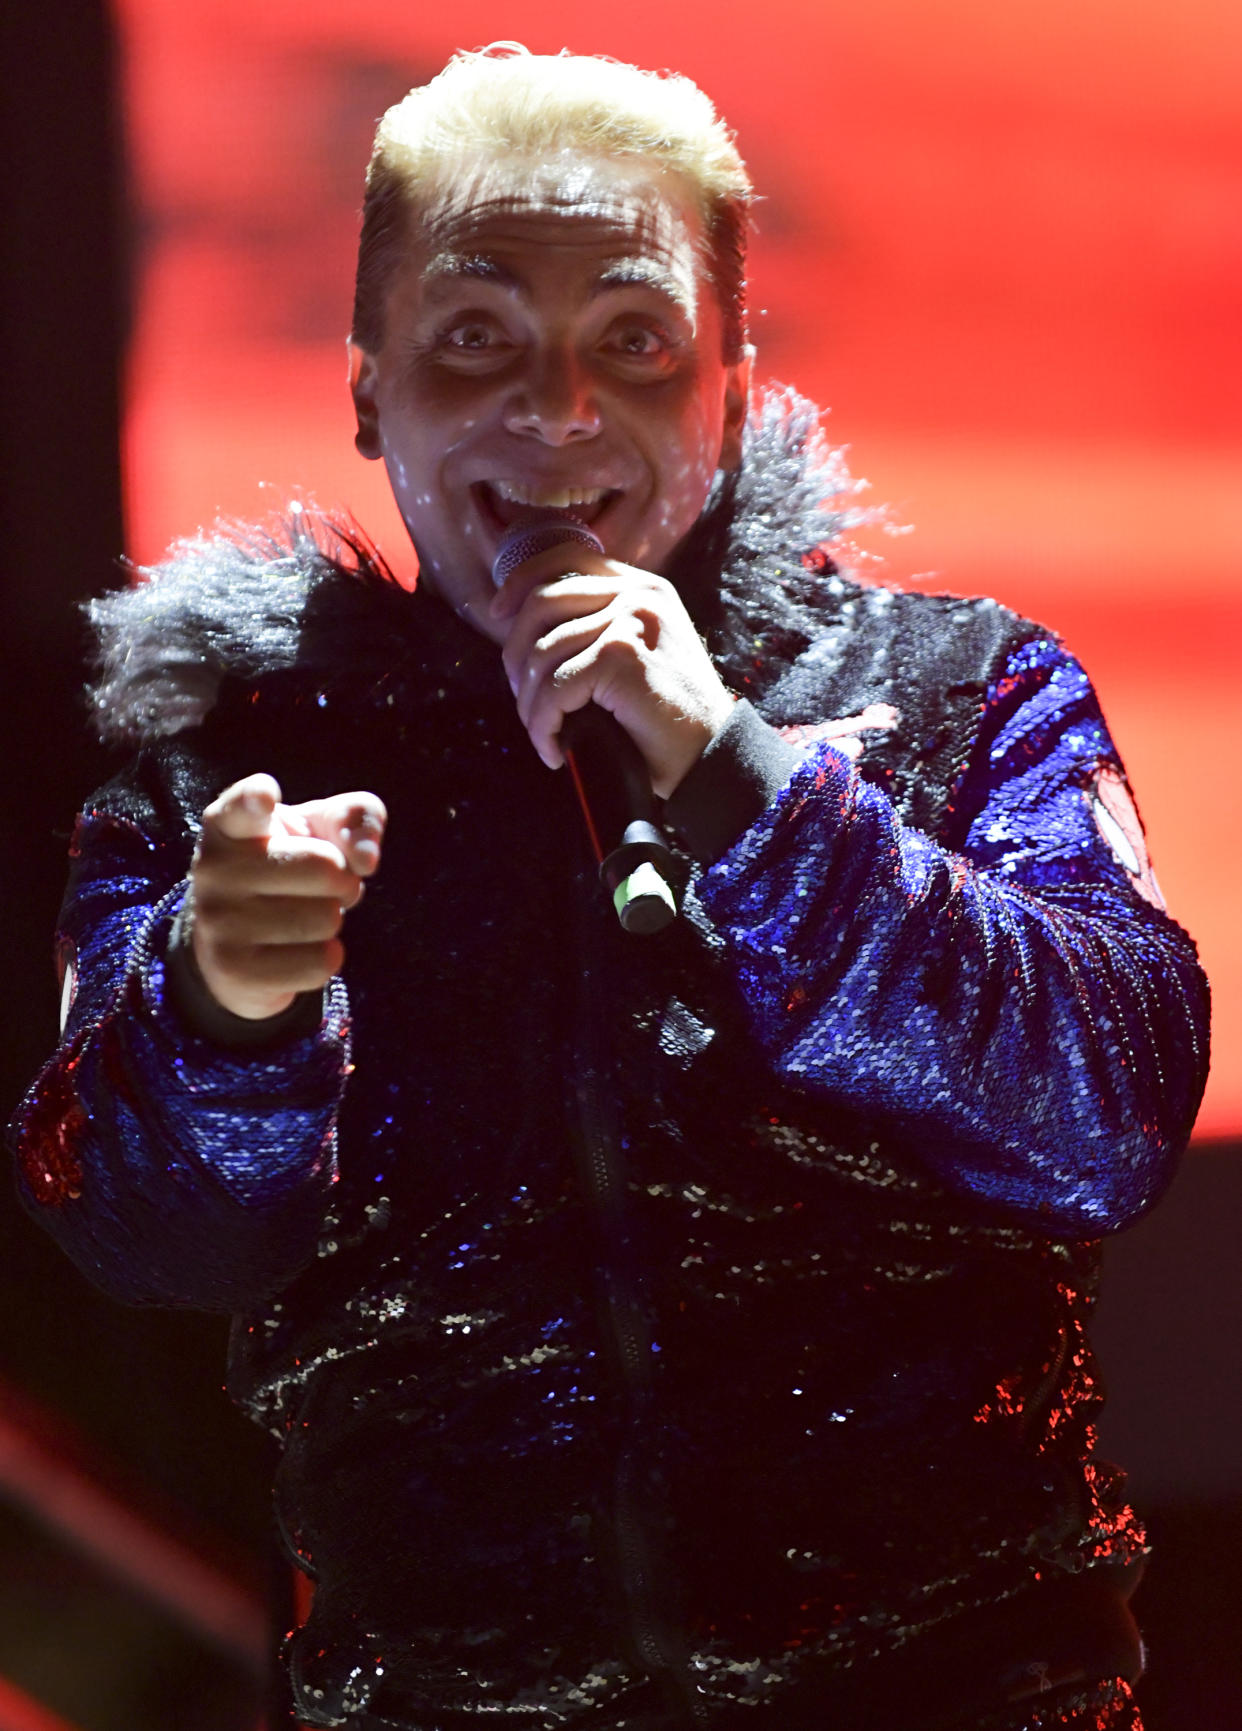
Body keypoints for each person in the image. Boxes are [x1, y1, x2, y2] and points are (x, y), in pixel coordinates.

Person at [9, 44, 1209, 1731]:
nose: (558, 411)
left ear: (729, 375)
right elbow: (139, 1239)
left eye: (633, 343)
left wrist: (736, 773)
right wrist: (222, 1011)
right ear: (368, 390)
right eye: (475, 339)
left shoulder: (961, 697)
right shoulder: (223, 786)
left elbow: (1103, 1112)